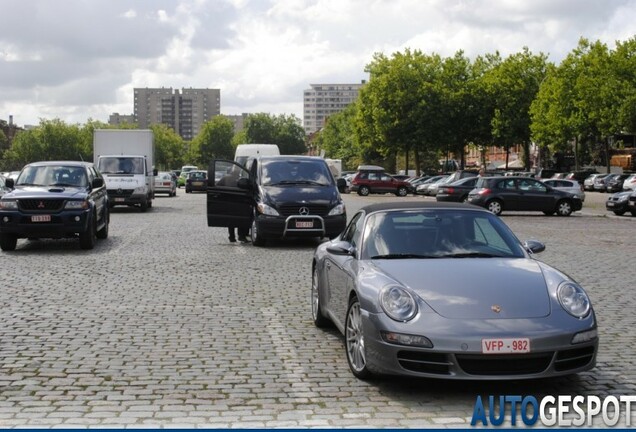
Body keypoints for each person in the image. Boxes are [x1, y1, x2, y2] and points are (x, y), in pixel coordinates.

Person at [217, 166, 249, 243]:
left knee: (231, 221)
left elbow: (217, 186)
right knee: (240, 219)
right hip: (238, 202)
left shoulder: (225, 178)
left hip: (228, 202)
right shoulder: (239, 179)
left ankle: (232, 237)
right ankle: (241, 236)